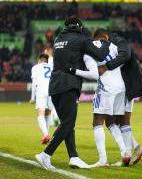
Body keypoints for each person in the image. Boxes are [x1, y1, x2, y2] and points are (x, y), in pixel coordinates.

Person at [35, 16, 110, 170]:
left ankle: (74, 157)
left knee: (67, 124)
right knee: (68, 123)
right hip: (68, 85)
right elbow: (100, 55)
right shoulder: (81, 39)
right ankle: (45, 154)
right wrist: (105, 43)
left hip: (54, 85)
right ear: (78, 26)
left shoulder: (58, 39)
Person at [94, 29, 142, 166]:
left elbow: (125, 55)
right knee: (116, 121)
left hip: (127, 86)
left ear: (104, 37)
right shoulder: (112, 44)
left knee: (120, 122)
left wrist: (107, 66)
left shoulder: (118, 42)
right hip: (124, 86)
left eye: (99, 40)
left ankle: (128, 156)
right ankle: (135, 149)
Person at [30, 53, 53, 145]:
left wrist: (32, 98)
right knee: (47, 114)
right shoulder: (52, 67)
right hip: (51, 91)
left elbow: (34, 83)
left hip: (41, 91)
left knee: (40, 114)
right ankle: (47, 137)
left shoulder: (36, 67)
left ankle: (46, 134)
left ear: (39, 60)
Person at [44, 47, 59, 127]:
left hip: (45, 84)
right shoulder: (55, 60)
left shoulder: (44, 61)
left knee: (49, 104)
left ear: (47, 52)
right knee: (54, 103)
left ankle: (52, 121)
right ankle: (55, 118)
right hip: (54, 83)